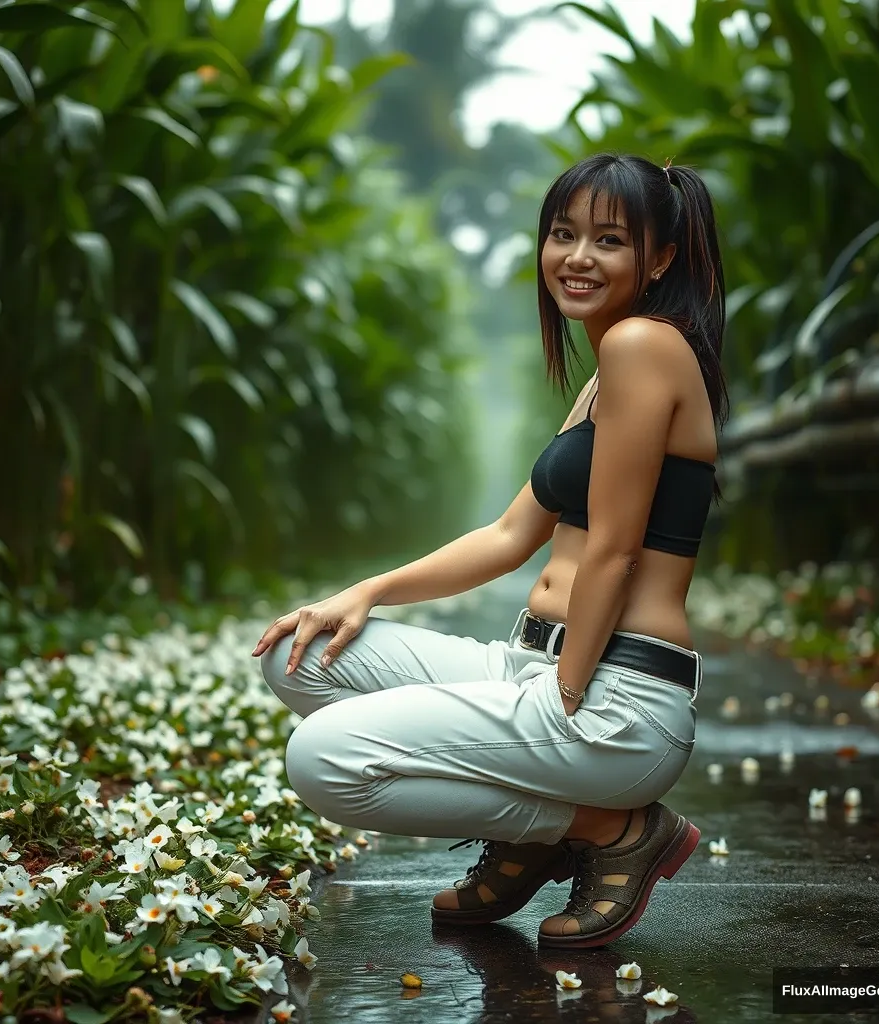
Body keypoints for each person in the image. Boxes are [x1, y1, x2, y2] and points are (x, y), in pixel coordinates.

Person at [252, 151, 727, 949]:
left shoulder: (644, 345)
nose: (577, 257)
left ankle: (605, 827)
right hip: (538, 663)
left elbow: (613, 552)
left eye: (609, 241)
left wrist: (567, 690)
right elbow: (509, 537)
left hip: (615, 697)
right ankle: (544, 824)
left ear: (661, 259)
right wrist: (365, 592)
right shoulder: (603, 374)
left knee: (320, 760)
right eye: (562, 234)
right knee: (299, 657)